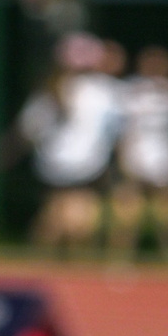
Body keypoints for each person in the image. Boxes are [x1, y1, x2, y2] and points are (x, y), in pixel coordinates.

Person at [16, 32, 118, 255]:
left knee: (55, 217)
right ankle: (74, 277)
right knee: (79, 223)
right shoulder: (103, 90)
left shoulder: (50, 89)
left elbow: (28, 128)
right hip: (87, 166)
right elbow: (117, 127)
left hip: (53, 165)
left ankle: (40, 268)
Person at [108, 44, 168, 263]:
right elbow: (123, 127)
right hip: (136, 156)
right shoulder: (131, 92)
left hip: (163, 158)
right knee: (127, 213)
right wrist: (123, 157)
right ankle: (119, 261)